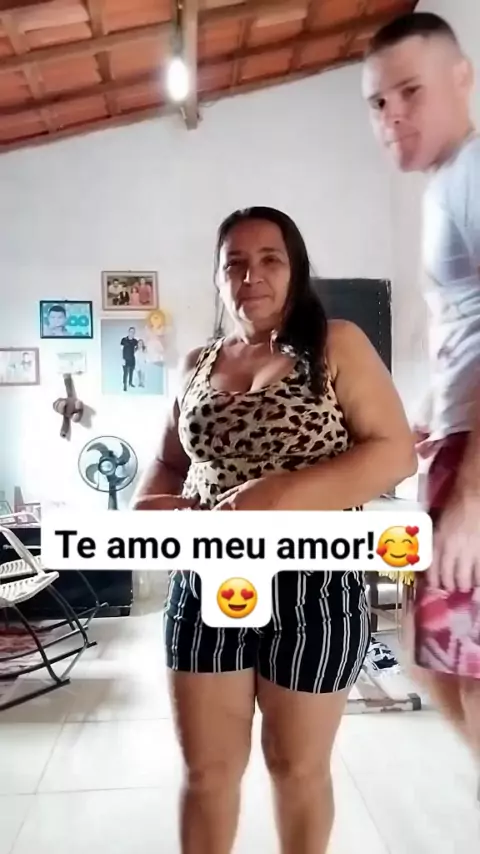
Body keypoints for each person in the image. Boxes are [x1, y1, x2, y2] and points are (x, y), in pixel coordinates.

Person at [134, 206, 416, 854]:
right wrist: (148, 505)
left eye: (269, 260)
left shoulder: (336, 344)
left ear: (296, 271)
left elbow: (393, 453)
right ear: (217, 277)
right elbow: (170, 461)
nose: (250, 276)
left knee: (296, 769)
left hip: (315, 586)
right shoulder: (196, 363)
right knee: (208, 773)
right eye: (233, 263)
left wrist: (279, 496)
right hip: (206, 583)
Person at [362, 12, 480, 760]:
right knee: (430, 656)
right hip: (457, 439)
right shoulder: (447, 184)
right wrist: (436, 417)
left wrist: (473, 498)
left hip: (477, 462)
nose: (392, 114)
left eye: (410, 91)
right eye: (378, 102)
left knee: (468, 675)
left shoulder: (473, 173)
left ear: (461, 78)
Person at [120, 326, 137, 391]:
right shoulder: (124, 340)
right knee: (125, 373)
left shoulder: (135, 341)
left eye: (133, 332)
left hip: (132, 359)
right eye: (131, 331)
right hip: (125, 359)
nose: (132, 333)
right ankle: (125, 385)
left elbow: (136, 349)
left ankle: (130, 383)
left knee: (131, 372)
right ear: (128, 332)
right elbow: (121, 349)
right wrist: (122, 359)